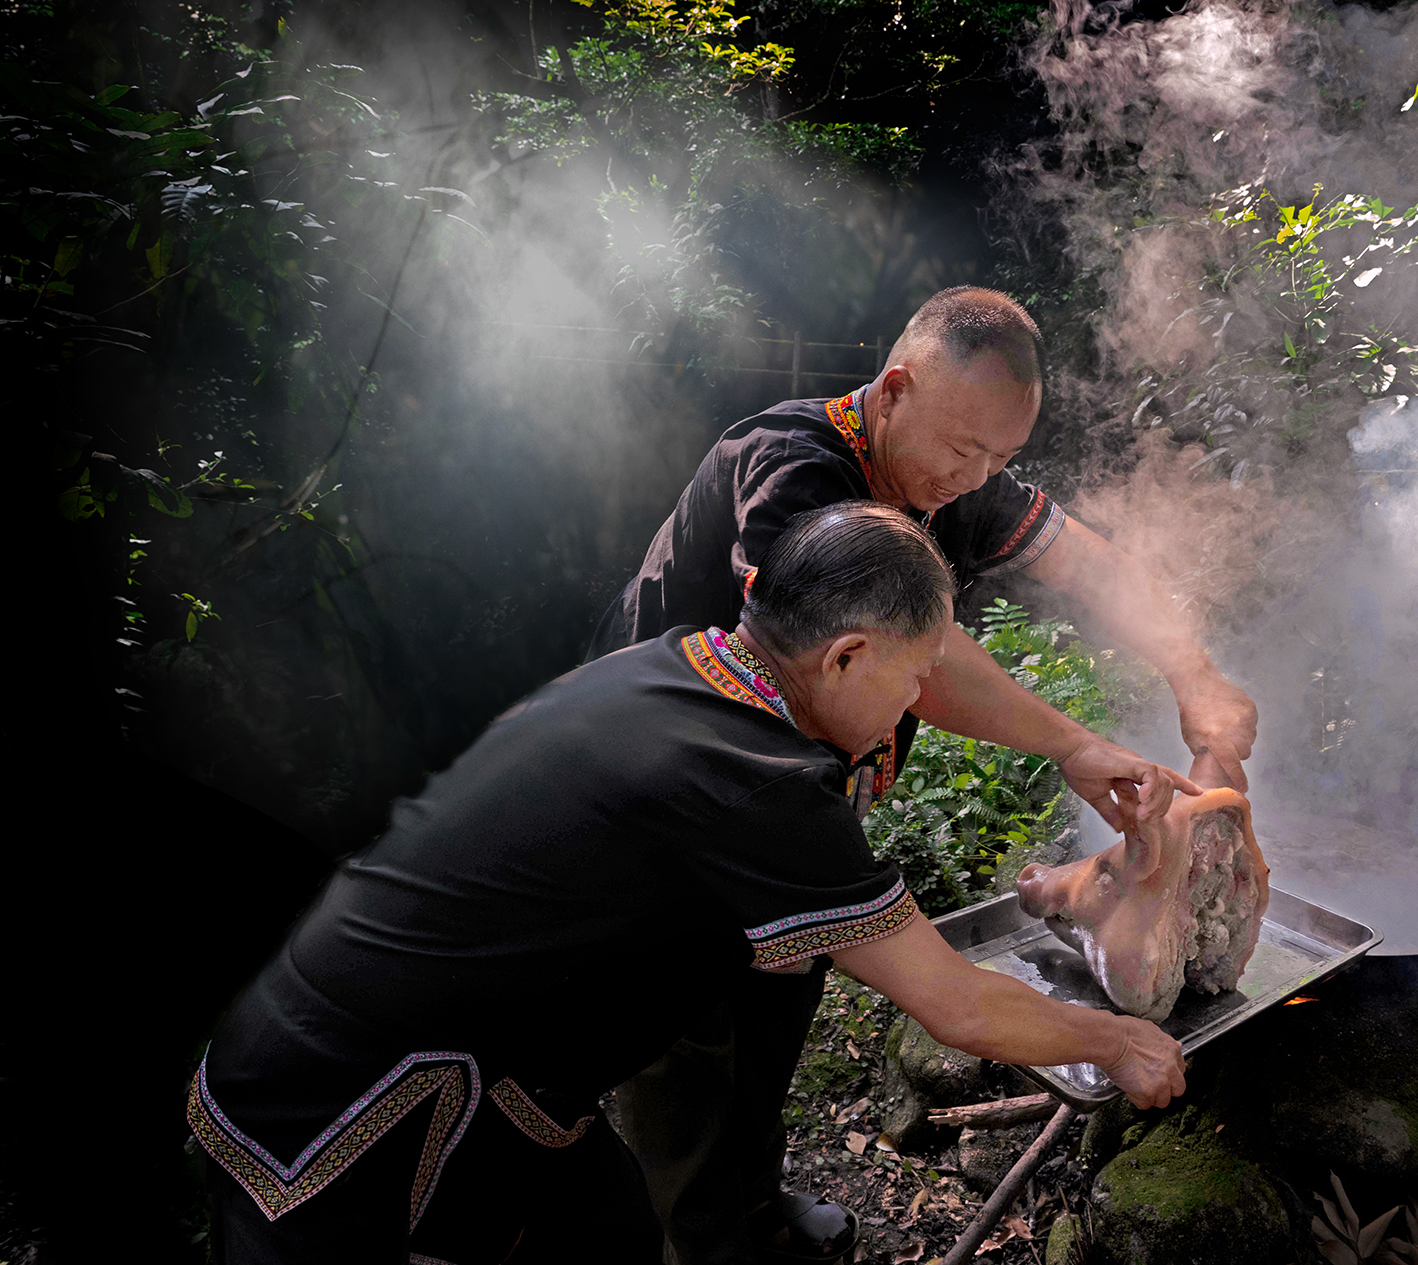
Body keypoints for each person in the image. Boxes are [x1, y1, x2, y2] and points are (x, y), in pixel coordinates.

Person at [191, 502, 1188, 1264]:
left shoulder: (682, 667)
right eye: (915, 673)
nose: (920, 700)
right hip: (356, 1104)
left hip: (429, 1065)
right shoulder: (755, 781)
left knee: (612, 1233)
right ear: (843, 655)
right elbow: (960, 1003)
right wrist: (1121, 1040)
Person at [591, 286, 1256, 1264]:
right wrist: (1074, 744)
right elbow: (908, 656)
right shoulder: (791, 470)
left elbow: (1095, 567)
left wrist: (1194, 670)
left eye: (999, 457)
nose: (973, 476)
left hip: (795, 790)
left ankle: (761, 1208)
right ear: (893, 390)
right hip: (665, 790)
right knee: (689, 1034)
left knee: (781, 999)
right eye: (962, 449)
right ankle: (700, 1239)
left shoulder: (953, 471)